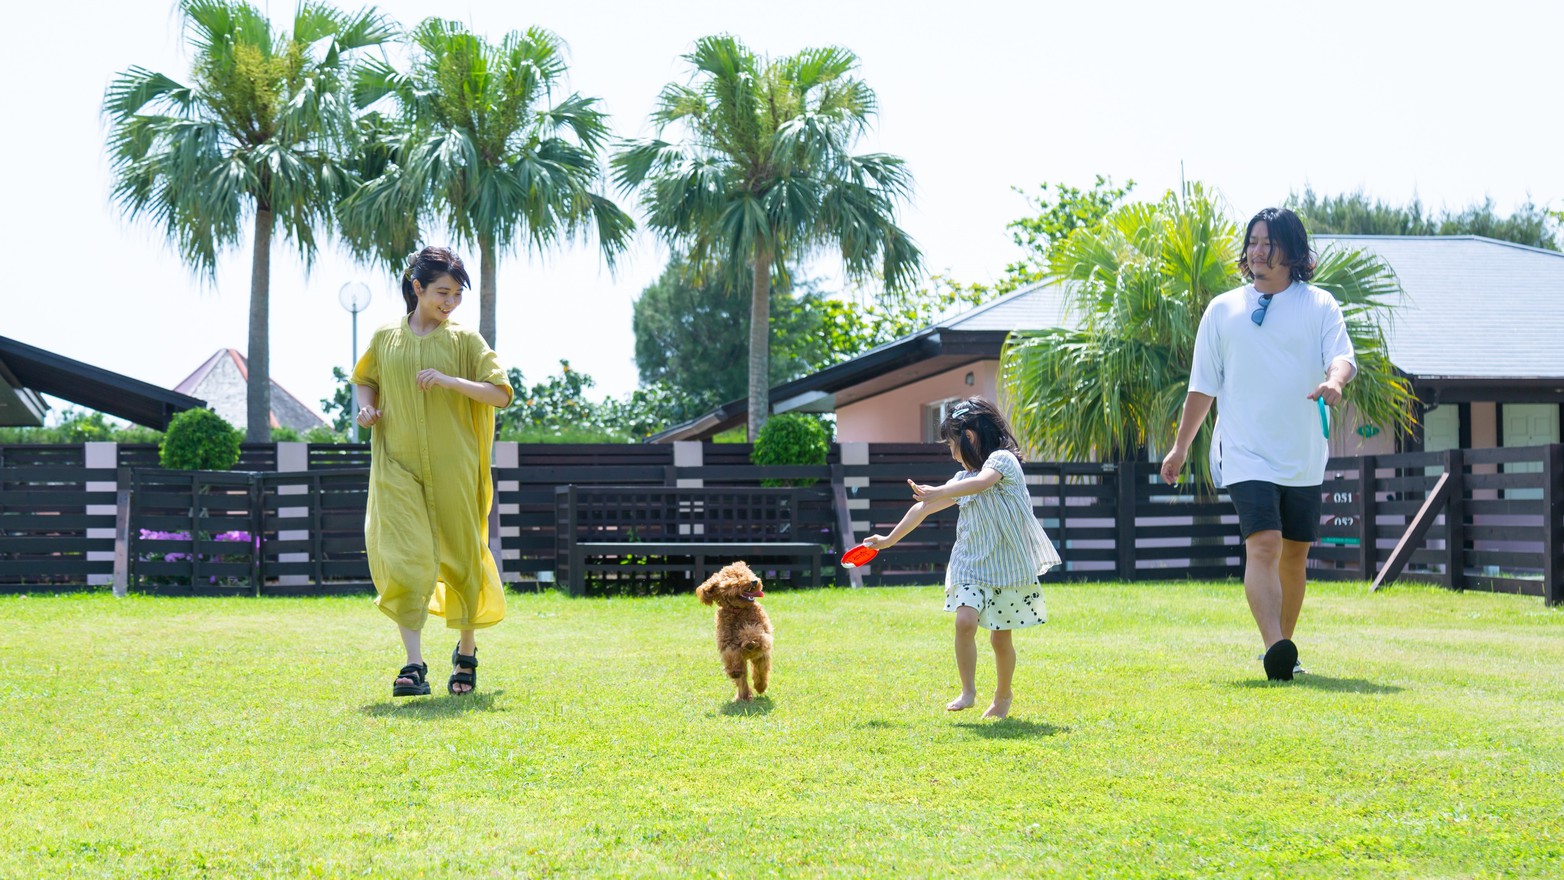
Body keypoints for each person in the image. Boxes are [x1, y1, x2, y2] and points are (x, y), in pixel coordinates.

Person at [1159, 207, 1356, 681]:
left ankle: (1283, 651)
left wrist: (1335, 382)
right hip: (1244, 451)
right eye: (1253, 242)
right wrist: (1180, 447)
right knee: (1263, 544)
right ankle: (1275, 647)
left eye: (1269, 242)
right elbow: (1202, 387)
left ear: (1292, 251)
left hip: (1304, 452)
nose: (1258, 250)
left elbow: (1343, 358)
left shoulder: (1320, 304)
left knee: (1295, 552)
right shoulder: (1223, 309)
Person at [352, 246, 514, 697]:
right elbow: (367, 379)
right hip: (397, 464)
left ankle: (466, 652)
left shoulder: (466, 340)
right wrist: (367, 410)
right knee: (406, 558)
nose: (450, 302)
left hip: (455, 467)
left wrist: (448, 381)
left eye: (457, 294)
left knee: (463, 557)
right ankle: (413, 664)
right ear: (417, 287)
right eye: (442, 292)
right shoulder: (386, 336)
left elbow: (500, 393)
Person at [863, 397, 1061, 719]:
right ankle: (968, 691)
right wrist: (887, 540)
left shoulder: (1002, 461)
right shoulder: (959, 480)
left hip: (1007, 564)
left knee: (1000, 639)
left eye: (952, 444)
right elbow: (922, 509)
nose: (952, 452)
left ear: (969, 436)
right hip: (971, 562)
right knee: (965, 621)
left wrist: (940, 490)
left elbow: (982, 484)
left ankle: (1002, 696)